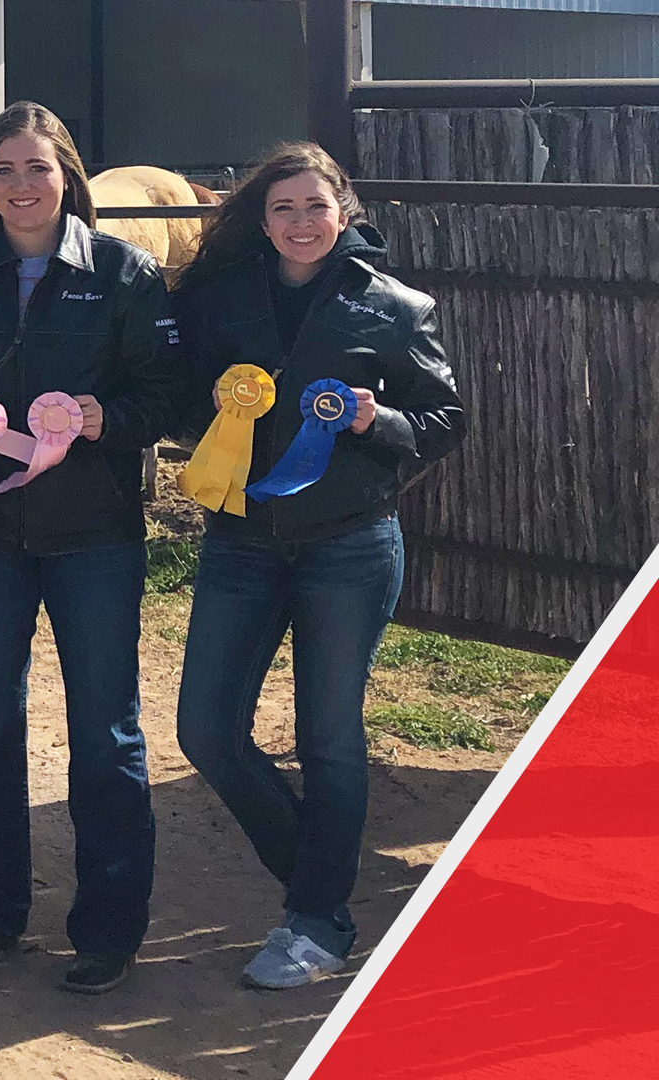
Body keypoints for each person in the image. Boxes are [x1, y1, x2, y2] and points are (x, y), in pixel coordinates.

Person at [0, 101, 182, 993]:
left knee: (105, 733)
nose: (22, 187)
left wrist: (110, 419)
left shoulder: (126, 273)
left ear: (70, 176)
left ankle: (106, 929)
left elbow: (166, 399)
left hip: (95, 535)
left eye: (38, 169)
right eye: (4, 171)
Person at [172, 142, 464, 989]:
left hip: (349, 545)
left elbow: (445, 419)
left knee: (327, 740)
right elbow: (184, 393)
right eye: (283, 209)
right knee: (206, 730)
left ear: (346, 213)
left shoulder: (397, 309)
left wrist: (379, 422)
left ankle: (313, 925)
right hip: (238, 541)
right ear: (262, 221)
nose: (300, 224)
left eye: (316, 207)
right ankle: (319, 883)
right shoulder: (218, 300)